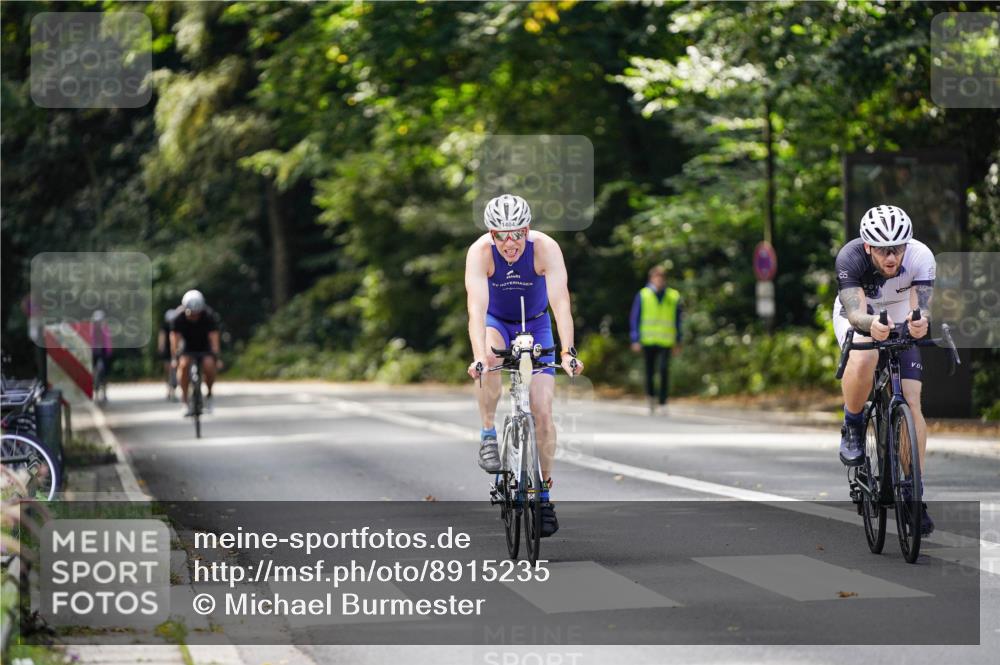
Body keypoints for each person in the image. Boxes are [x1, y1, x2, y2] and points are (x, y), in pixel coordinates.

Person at [465, 194, 584, 538]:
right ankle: (488, 432)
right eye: (500, 235)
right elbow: (476, 308)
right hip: (496, 322)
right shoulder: (480, 253)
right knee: (489, 361)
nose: (509, 243)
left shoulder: (545, 248)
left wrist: (567, 352)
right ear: (491, 235)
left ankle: (543, 495)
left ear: (527, 230)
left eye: (516, 233)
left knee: (543, 409)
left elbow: (560, 302)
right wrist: (478, 356)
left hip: (536, 324)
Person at [832, 204, 935, 535]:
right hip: (864, 312)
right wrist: (870, 324)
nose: (891, 258)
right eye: (882, 250)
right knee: (863, 357)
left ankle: (912, 491)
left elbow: (922, 308)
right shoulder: (851, 257)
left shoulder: (921, 256)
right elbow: (854, 312)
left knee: (912, 400)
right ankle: (852, 422)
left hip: (902, 312)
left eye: (897, 249)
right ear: (868, 247)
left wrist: (920, 324)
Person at [629, 265, 682, 414]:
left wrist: (678, 340)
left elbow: (678, 321)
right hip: (648, 340)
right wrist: (635, 339)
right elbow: (635, 318)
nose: (659, 281)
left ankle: (663, 402)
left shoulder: (673, 296)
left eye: (661, 278)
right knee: (650, 371)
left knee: (664, 370)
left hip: (666, 341)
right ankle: (651, 398)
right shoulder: (643, 295)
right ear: (651, 279)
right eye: (656, 278)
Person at [170, 290, 223, 416]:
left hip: (205, 346)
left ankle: (209, 395)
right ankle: (185, 400)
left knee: (209, 365)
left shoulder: (209, 316)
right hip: (187, 346)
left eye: (197, 314)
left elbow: (214, 339)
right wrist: (174, 358)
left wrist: (217, 357)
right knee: (183, 366)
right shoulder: (178, 318)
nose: (194, 316)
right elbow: (174, 339)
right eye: (191, 314)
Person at [157, 305, 182, 401]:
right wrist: (161, 348)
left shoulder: (178, 325)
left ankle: (176, 390)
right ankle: (169, 390)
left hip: (176, 350)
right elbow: (162, 338)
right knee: (169, 372)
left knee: (176, 371)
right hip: (167, 351)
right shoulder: (164, 327)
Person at [90, 310, 112, 402]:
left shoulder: (105, 328)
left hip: (103, 352)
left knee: (104, 373)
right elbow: (89, 340)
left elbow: (108, 341)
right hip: (94, 352)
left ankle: (104, 393)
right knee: (94, 372)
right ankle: (95, 392)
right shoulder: (91, 329)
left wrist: (109, 352)